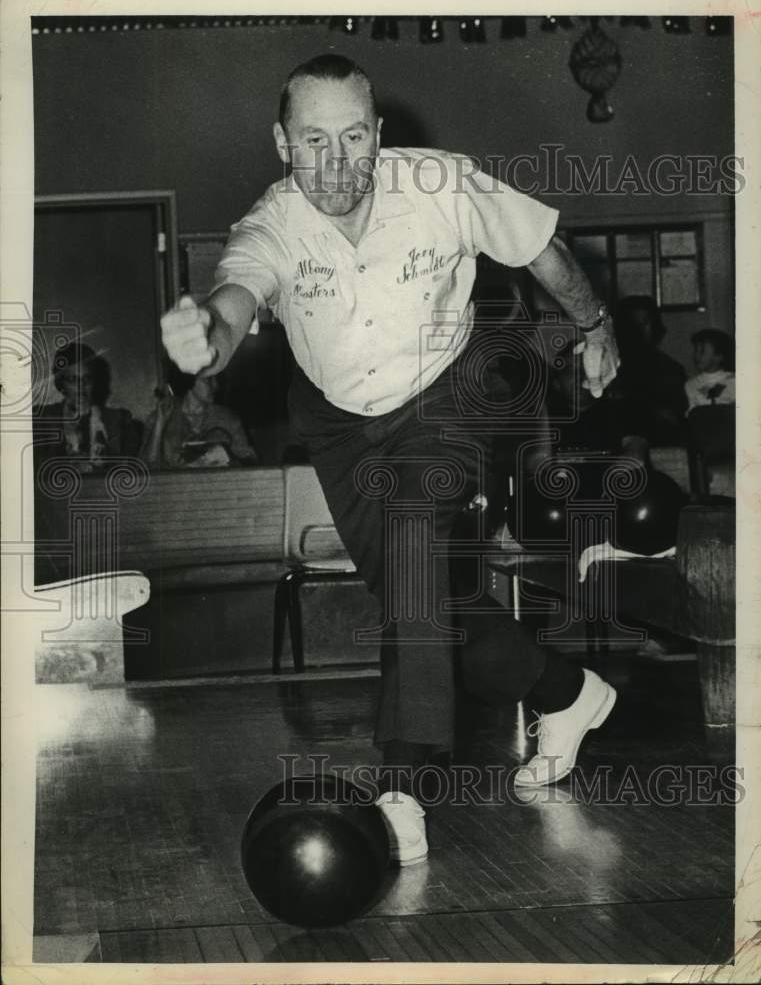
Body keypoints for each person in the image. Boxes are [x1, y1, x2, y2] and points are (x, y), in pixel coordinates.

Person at [160, 54, 621, 866]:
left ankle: (403, 786)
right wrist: (208, 338)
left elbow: (540, 246)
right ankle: (567, 692)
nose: (336, 164)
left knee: (414, 552)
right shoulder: (269, 225)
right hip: (338, 424)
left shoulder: (440, 184)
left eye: (351, 139)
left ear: (376, 135)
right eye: (313, 142)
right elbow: (235, 294)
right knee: (425, 607)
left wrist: (592, 325)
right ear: (281, 142)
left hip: (448, 391)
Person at [34, 341, 142, 469]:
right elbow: (35, 468)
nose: (81, 386)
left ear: (94, 381)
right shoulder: (43, 418)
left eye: (87, 379)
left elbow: (131, 470)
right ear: (61, 383)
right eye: (72, 379)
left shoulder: (119, 420)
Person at [139, 373, 259, 469]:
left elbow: (251, 461)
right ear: (189, 381)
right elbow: (146, 468)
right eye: (208, 379)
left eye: (216, 379)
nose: (216, 385)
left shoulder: (227, 419)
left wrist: (230, 458)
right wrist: (160, 423)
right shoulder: (160, 417)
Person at [613, 295, 688, 446]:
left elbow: (675, 417)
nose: (641, 329)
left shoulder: (670, 368)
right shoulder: (610, 366)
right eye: (635, 324)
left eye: (646, 322)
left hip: (657, 444)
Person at [684, 328, 735, 413]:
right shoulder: (690, 384)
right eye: (696, 350)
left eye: (702, 351)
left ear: (718, 356)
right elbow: (692, 414)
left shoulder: (734, 380)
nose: (696, 355)